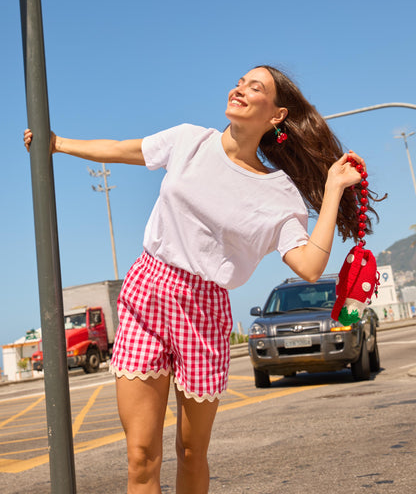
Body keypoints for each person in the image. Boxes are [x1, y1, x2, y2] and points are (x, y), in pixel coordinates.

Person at [24, 65, 378, 494]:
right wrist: (57, 144)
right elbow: (120, 150)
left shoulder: (278, 192)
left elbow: (308, 266)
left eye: (255, 87)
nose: (240, 90)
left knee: (191, 452)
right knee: (140, 454)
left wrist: (334, 187)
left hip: (204, 310)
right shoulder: (190, 140)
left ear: (277, 115)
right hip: (147, 291)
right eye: (240, 82)